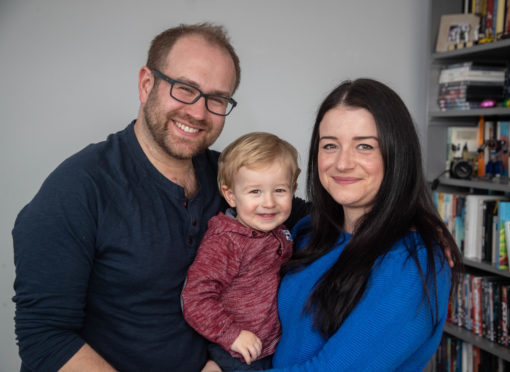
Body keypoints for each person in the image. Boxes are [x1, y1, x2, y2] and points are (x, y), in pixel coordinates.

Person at [12, 23, 306, 372]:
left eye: (217, 99)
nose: (198, 113)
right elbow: (45, 338)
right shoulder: (78, 188)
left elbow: (317, 217)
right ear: (146, 84)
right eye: (185, 89)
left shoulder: (230, 179)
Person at [226, 78, 460, 371]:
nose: (342, 163)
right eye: (330, 145)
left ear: (397, 154)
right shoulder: (308, 231)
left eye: (364, 146)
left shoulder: (413, 262)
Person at [182, 132, 300, 371]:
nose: (268, 202)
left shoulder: (281, 231)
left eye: (279, 190)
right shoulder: (226, 242)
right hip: (236, 351)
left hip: (270, 348)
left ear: (293, 190)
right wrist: (231, 334)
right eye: (255, 191)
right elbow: (195, 298)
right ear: (231, 196)